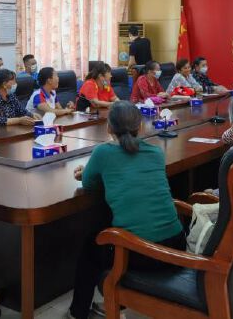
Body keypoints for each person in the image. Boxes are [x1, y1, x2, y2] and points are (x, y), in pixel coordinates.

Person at [67, 101, 184, 319]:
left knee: (92, 245)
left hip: (141, 254)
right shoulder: (156, 152)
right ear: (140, 127)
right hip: (176, 244)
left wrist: (86, 172)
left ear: (108, 128)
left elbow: (89, 184)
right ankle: (114, 303)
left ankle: (78, 312)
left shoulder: (103, 153)